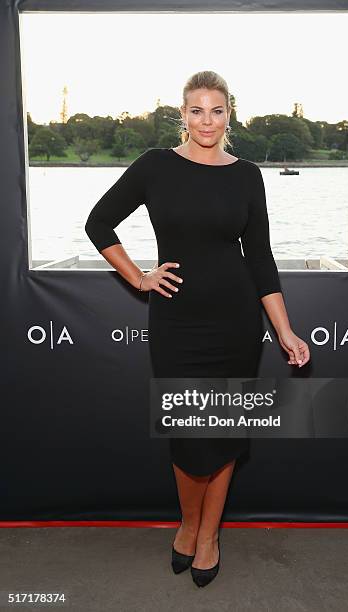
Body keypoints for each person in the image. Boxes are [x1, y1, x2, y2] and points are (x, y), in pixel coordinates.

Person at [85, 70, 310, 587]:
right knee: (188, 437)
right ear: (182, 114)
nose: (206, 120)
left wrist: (285, 330)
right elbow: (99, 223)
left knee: (225, 432)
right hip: (177, 324)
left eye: (217, 110)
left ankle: (208, 535)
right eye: (196, 110)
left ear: (230, 114)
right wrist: (139, 277)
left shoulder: (247, 174)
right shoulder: (155, 166)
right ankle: (187, 524)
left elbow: (260, 259)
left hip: (234, 322)